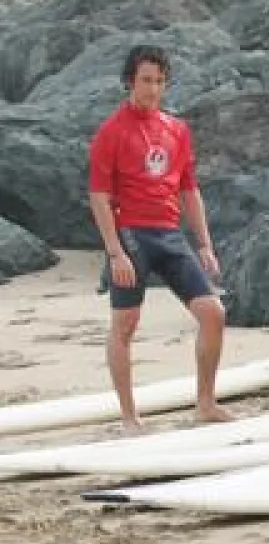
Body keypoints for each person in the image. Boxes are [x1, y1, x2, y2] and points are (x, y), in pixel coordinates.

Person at [88, 44, 231, 432]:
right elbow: (98, 195)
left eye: (159, 81)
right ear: (129, 82)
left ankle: (205, 403)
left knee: (213, 313)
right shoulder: (112, 131)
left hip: (169, 234)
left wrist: (204, 245)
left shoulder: (176, 130)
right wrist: (114, 252)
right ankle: (130, 417)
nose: (153, 89)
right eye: (146, 80)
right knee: (126, 324)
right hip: (131, 234)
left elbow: (189, 190)